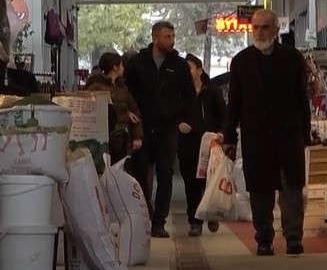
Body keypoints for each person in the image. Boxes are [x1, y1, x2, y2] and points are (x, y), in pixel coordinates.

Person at [222, 8, 311, 257]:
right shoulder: (241, 62)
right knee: (260, 192)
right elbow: (234, 104)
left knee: (291, 190)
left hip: (288, 136)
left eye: (265, 27)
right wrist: (229, 137)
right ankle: (264, 240)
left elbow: (301, 98)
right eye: (256, 27)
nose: (259, 32)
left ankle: (293, 238)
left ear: (276, 29)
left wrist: (306, 134)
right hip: (256, 137)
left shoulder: (293, 59)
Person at [124, 20, 195, 238]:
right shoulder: (137, 63)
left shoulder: (180, 66)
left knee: (165, 174)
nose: (171, 41)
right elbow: (126, 91)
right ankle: (144, 214)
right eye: (167, 37)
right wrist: (128, 112)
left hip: (167, 129)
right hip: (143, 128)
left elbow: (189, 96)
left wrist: (184, 119)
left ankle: (159, 222)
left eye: (173, 37)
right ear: (155, 38)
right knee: (140, 173)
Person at [178, 53, 227, 237]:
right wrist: (179, 123)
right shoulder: (181, 93)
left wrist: (221, 132)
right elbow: (173, 113)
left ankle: (211, 213)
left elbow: (224, 115)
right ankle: (195, 221)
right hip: (188, 145)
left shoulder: (212, 92)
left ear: (199, 70)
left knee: (208, 183)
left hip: (209, 145)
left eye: (189, 68)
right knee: (191, 185)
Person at [84, 51, 143, 165]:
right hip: (103, 140)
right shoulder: (96, 89)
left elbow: (135, 111)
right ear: (115, 68)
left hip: (122, 140)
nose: (123, 68)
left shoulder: (122, 87)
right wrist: (125, 114)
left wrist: (137, 136)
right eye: (121, 65)